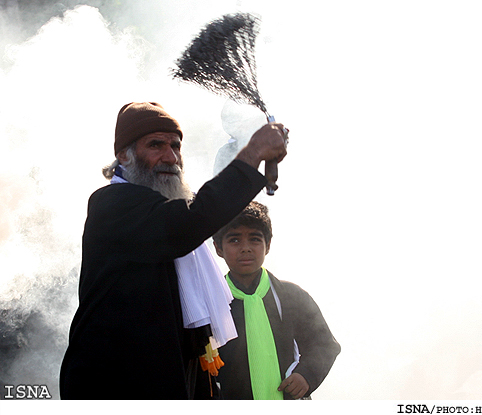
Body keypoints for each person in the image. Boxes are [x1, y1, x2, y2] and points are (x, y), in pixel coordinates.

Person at [59, 102, 287, 399]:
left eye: (176, 146)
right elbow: (191, 221)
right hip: (116, 386)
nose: (170, 157)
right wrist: (254, 152)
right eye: (156, 145)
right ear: (122, 155)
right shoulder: (112, 205)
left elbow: (192, 333)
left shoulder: (165, 211)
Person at [212, 201, 341, 400]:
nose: (245, 248)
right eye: (234, 240)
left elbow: (323, 344)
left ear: (268, 245)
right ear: (219, 248)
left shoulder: (291, 296)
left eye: (255, 239)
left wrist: (306, 375)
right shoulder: (210, 303)